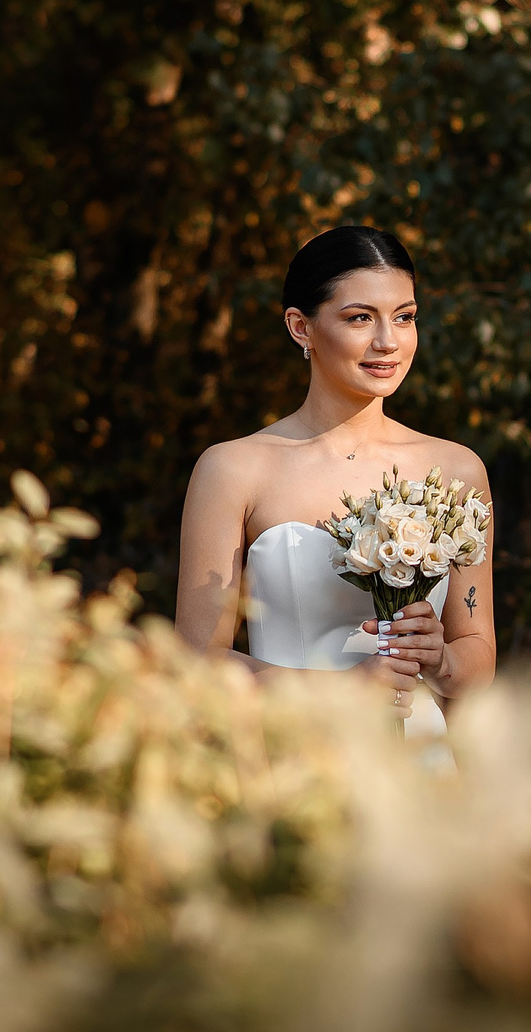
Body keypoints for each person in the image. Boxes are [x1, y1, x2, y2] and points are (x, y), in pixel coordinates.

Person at [175, 226, 496, 748]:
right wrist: (341, 691)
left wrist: (441, 660)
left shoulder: (456, 471)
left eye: (405, 317)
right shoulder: (233, 469)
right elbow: (195, 662)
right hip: (296, 760)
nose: (388, 341)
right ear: (301, 327)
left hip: (420, 765)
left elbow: (477, 654)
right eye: (360, 318)